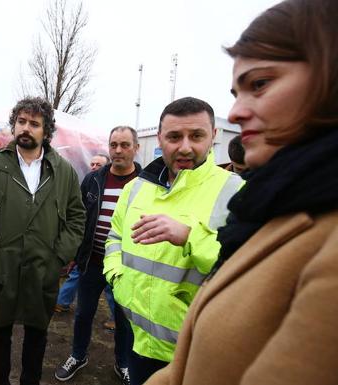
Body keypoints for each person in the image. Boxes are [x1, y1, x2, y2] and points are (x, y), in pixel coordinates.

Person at [145, 1, 338, 384]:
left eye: (260, 84)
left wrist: (189, 237)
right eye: (236, 91)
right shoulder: (266, 207)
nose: (235, 112)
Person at [104, 97, 244, 384]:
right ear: (159, 138)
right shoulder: (134, 189)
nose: (184, 147)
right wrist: (117, 280)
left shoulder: (236, 192)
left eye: (196, 136)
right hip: (138, 340)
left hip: (196, 351)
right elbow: (114, 237)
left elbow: (248, 266)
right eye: (174, 136)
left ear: (213, 137)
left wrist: (190, 236)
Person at [0, 96, 85, 385]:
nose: (26, 128)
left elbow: (76, 218)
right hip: (2, 268)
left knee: (37, 333)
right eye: (21, 121)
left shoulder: (64, 171)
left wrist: (58, 257)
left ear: (46, 131)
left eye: (34, 123)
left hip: (43, 269)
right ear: (14, 125)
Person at [55, 126, 142, 385]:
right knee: (83, 314)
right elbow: (79, 218)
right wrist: (73, 254)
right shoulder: (93, 180)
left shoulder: (146, 183)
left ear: (136, 148)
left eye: (125, 145)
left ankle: (123, 363)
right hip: (92, 262)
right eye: (114, 144)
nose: (118, 150)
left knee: (124, 321)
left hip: (127, 266)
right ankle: (78, 355)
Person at [55, 153, 114, 316]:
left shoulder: (113, 184)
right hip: (89, 245)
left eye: (98, 165)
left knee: (111, 284)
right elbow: (80, 210)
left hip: (112, 249)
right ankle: (62, 302)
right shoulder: (89, 181)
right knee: (77, 272)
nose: (94, 167)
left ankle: (118, 318)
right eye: (92, 164)